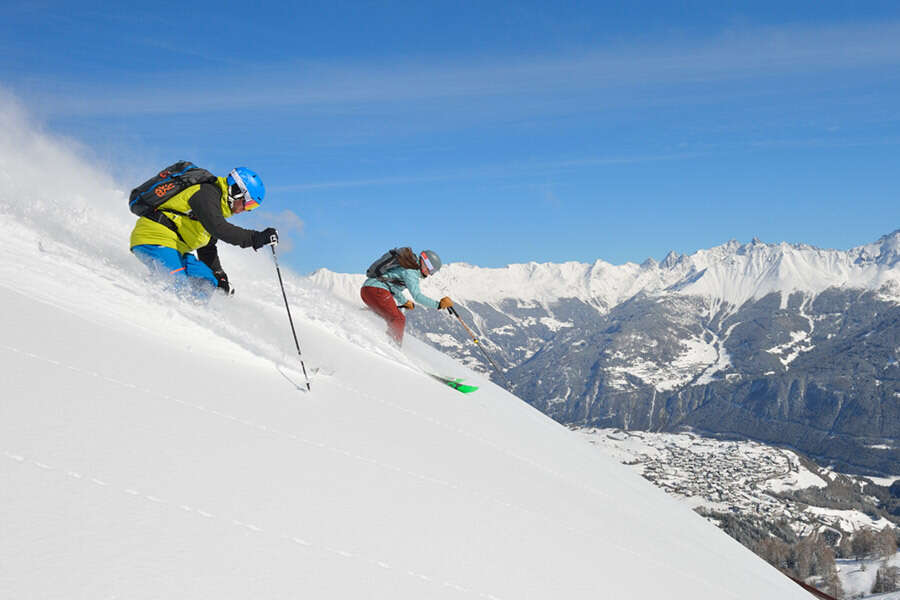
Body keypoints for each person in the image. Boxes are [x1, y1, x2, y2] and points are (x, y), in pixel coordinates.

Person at [129, 166, 279, 300]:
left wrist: (219, 275)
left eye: (252, 207)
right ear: (237, 191)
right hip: (153, 239)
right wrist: (257, 238)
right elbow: (219, 228)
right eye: (248, 203)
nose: (245, 209)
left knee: (207, 282)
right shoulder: (206, 193)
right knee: (178, 287)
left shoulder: (217, 207)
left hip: (175, 248)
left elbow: (207, 246)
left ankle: (195, 317)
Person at [361, 248, 453, 346]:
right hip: (376, 290)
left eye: (433, 272)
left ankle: (360, 324)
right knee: (399, 319)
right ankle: (393, 347)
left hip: (369, 290)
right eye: (431, 269)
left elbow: (391, 287)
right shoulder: (411, 271)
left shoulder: (409, 267)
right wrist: (438, 305)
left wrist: (404, 301)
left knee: (383, 317)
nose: (430, 273)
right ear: (425, 262)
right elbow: (417, 296)